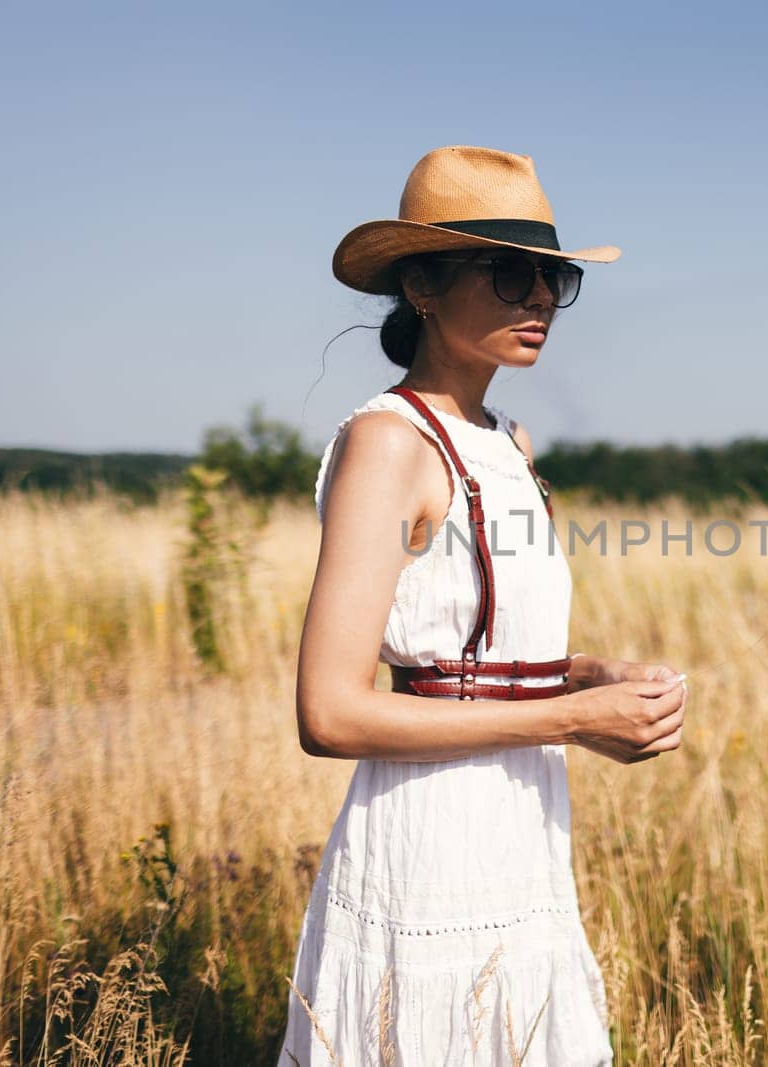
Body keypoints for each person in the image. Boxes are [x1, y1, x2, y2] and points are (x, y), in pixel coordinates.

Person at [281, 145, 690, 1065]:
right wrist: (576, 716)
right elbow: (329, 709)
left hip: (522, 825)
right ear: (422, 283)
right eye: (511, 274)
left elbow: (480, 651)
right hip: (432, 838)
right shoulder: (390, 445)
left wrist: (598, 674)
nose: (539, 299)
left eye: (553, 278)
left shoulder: (508, 440)